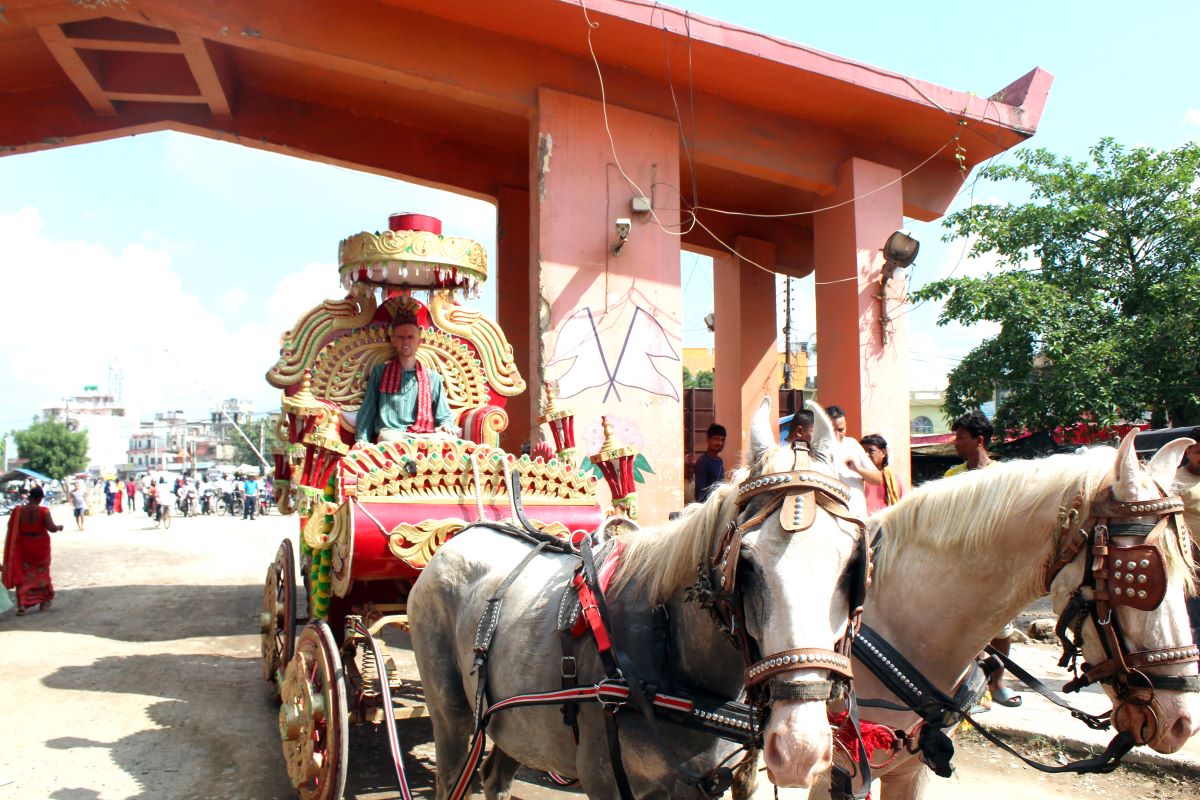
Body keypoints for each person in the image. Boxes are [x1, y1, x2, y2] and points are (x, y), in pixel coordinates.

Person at [943, 410, 1020, 707]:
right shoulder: (952, 476)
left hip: (995, 562)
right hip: (960, 562)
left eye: (960, 437)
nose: (954, 442)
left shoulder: (1003, 476)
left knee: (1001, 625)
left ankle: (998, 682)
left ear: (979, 440)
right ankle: (972, 688)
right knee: (965, 625)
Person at [355, 305, 456, 444]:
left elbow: (444, 415)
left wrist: (446, 425)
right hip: (393, 435)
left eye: (410, 337)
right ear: (393, 340)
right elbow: (368, 409)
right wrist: (361, 439)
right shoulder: (380, 372)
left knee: (448, 439)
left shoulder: (433, 378)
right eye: (401, 337)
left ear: (418, 341)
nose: (406, 341)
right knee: (387, 438)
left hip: (424, 435)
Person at [3, 486, 64, 615]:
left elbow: (11, 526)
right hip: (40, 547)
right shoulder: (43, 511)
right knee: (42, 574)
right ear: (40, 498)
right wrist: (59, 527)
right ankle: (43, 601)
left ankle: (22, 606)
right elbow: (51, 528)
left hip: (24, 546)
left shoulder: (18, 511)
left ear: (30, 497)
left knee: (24, 574)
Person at [824, 405, 883, 518]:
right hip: (830, 519)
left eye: (841, 430)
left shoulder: (853, 445)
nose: (837, 435)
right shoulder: (817, 449)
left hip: (857, 518)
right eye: (832, 430)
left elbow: (878, 479)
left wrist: (858, 469)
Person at [1171, 428, 1200, 644]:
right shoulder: (1174, 481)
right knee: (1196, 624)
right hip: (1192, 567)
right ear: (1188, 452)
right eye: (1199, 452)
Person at [860, 433, 905, 514]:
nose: (866, 454)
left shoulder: (894, 479)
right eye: (863, 451)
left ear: (883, 453)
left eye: (871, 451)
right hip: (862, 523)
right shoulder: (856, 477)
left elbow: (903, 506)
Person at [693, 423, 727, 503]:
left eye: (722, 439)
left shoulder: (719, 461)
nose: (720, 443)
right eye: (716, 439)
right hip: (707, 508)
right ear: (708, 440)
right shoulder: (703, 462)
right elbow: (699, 494)